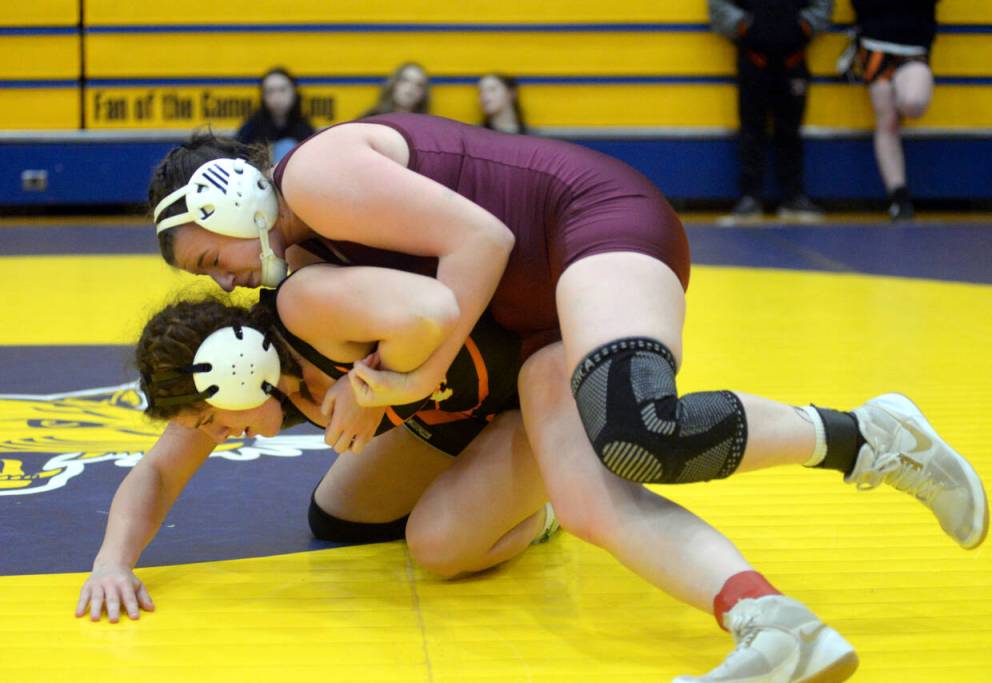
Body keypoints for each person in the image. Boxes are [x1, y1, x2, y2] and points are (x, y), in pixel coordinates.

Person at [146, 116, 988, 682]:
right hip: (535, 322)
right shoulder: (304, 263)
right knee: (592, 501)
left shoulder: (316, 178)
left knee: (639, 428)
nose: (217, 279)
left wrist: (404, 381)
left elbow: (485, 237)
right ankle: (775, 625)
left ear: (227, 195)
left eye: (204, 257)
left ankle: (865, 435)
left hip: (583, 222)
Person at [75, 270, 557, 623]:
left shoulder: (320, 325)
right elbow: (158, 472)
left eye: (208, 419)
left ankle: (546, 506)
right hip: (460, 410)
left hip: (532, 393)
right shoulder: (249, 373)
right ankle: (497, 479)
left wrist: (376, 379)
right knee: (339, 515)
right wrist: (112, 562)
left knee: (441, 547)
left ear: (235, 374)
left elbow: (435, 306)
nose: (215, 436)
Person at [709, 0, 832, 223]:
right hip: (752, 60)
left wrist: (803, 26)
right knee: (750, 130)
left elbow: (823, 4)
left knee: (791, 131)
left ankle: (793, 197)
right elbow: (718, 4)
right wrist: (743, 26)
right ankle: (750, 197)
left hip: (793, 60)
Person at [849, 0, 938, 221]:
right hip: (875, 44)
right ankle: (899, 195)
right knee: (886, 120)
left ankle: (901, 94)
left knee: (913, 103)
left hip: (914, 46)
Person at [236, 68, 314, 162]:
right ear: (263, 96)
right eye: (270, 91)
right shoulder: (250, 130)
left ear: (294, 92)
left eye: (282, 90)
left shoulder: (305, 129)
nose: (277, 97)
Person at [361, 62, 430, 117]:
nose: (411, 87)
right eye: (405, 80)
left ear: (423, 95)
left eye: (419, 85)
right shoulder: (370, 120)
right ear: (394, 84)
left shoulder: (426, 126)